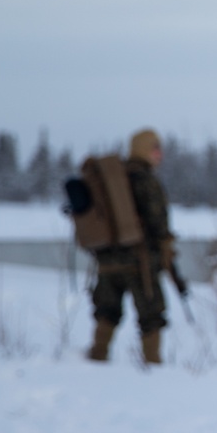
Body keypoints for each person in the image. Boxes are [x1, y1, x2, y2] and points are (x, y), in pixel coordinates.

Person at [87, 128, 175, 365]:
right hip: (140, 262)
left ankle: (96, 357)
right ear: (144, 150)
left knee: (106, 311)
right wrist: (166, 247)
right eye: (155, 148)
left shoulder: (114, 179)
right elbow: (158, 223)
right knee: (151, 315)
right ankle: (153, 365)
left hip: (107, 261)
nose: (159, 153)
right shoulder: (146, 180)